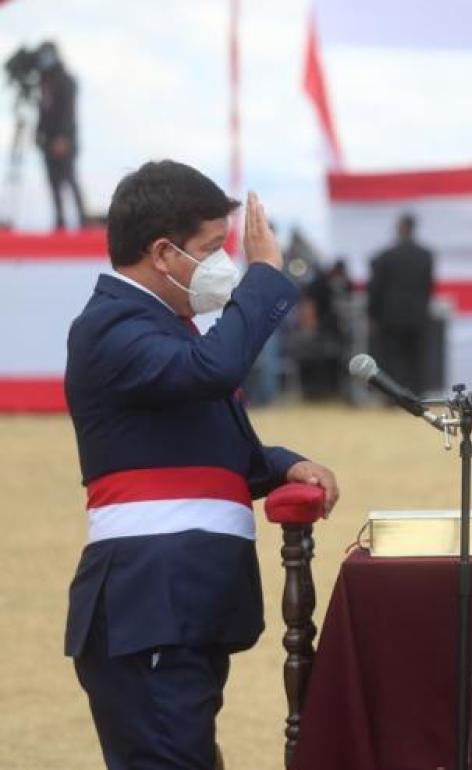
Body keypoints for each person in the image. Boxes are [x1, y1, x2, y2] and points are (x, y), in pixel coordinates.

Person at [63, 160, 340, 769]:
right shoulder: (110, 326)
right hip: (150, 604)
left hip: (181, 604)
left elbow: (215, 452)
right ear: (163, 253)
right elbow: (213, 372)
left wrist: (283, 466)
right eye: (213, 249)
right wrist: (265, 276)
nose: (227, 265)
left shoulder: (172, 329)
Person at [367, 213, 434, 393]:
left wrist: (372, 314)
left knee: (392, 358)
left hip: (391, 316)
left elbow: (375, 289)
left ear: (400, 228)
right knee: (416, 359)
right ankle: (417, 395)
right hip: (417, 316)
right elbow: (428, 286)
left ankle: (393, 396)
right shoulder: (426, 256)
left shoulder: (386, 256)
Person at [34, 41, 86, 230]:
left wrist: (63, 137)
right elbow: (43, 113)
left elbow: (67, 113)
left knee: (69, 178)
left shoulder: (66, 80)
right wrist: (38, 134)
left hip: (64, 139)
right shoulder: (44, 83)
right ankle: (60, 220)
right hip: (47, 140)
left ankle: (82, 220)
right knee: (53, 181)